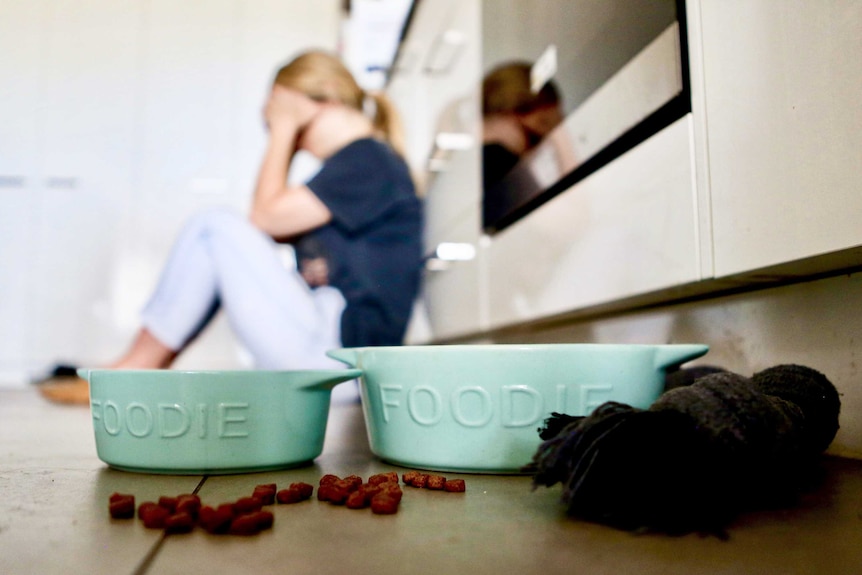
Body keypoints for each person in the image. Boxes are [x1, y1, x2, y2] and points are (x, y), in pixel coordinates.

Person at [39, 50, 423, 405]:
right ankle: (133, 373)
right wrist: (289, 125)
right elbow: (271, 229)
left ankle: (130, 374)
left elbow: (264, 218)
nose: (294, 143)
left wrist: (283, 127)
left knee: (214, 227)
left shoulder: (368, 159)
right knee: (216, 237)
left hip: (342, 363)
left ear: (328, 95)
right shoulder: (360, 166)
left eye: (288, 123)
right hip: (334, 358)